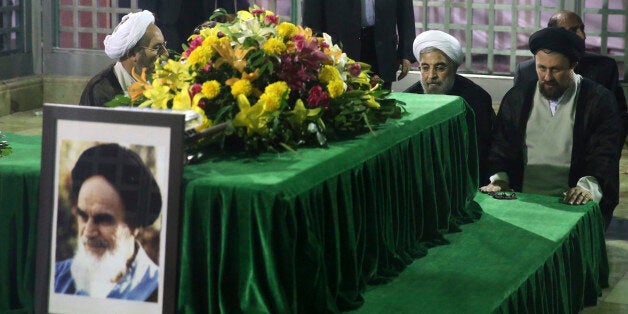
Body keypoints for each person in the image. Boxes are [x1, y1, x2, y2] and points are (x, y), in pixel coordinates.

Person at [481, 27, 623, 228]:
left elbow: (604, 153)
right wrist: (500, 179)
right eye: (541, 68)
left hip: (569, 199)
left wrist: (587, 187)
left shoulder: (598, 101)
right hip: (521, 196)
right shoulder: (518, 98)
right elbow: (500, 145)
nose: (547, 77)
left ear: (573, 65)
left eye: (555, 69)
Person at [55, 143, 163, 301]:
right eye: (83, 216)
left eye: (103, 219)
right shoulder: (57, 278)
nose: (88, 232)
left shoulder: (157, 290)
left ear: (134, 225)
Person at [405, 30, 496, 185]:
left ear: (454, 68)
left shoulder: (476, 99)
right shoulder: (410, 98)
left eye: (440, 67)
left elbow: (484, 151)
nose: (431, 75)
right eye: (425, 67)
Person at [514, 10, 627, 134]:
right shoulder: (526, 72)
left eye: (582, 29)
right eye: (573, 31)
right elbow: (517, 118)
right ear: (554, 34)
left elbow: (618, 116)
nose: (583, 36)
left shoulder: (604, 67)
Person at [302, 0, 415, 90]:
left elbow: (405, 9)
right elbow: (311, 20)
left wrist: (406, 52)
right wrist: (316, 53)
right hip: (339, 52)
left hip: (382, 51)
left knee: (382, 107)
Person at [80, 10, 169, 107]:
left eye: (164, 45)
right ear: (133, 53)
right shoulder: (99, 91)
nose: (166, 53)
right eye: (156, 47)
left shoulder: (166, 81)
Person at [139, 0, 249, 51]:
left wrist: (227, 10)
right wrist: (148, 9)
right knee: (170, 54)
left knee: (199, 55)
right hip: (168, 14)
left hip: (202, 12)